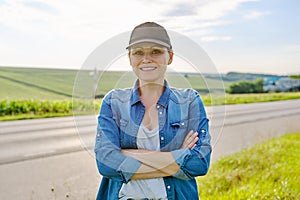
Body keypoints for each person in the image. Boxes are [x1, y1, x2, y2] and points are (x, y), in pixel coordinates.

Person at [95, 22, 211, 200]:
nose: (146, 59)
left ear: (170, 56)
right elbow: (106, 164)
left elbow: (198, 164)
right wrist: (178, 157)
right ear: (130, 58)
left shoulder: (189, 101)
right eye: (138, 52)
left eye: (156, 51)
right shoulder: (113, 102)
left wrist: (127, 155)